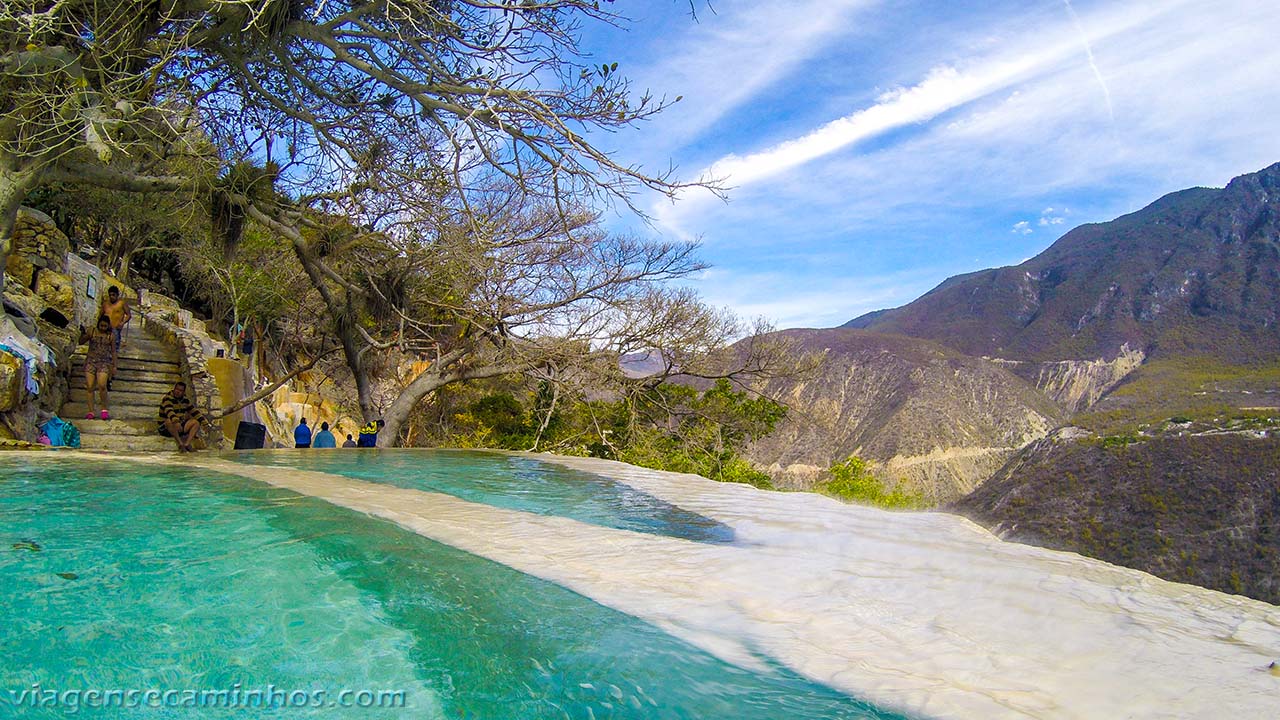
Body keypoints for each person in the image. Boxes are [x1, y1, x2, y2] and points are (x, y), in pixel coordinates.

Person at [78, 315, 115, 420]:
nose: (103, 328)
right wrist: (84, 334)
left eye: (105, 326)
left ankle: (104, 408)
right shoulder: (92, 332)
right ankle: (91, 411)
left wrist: (114, 365)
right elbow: (81, 342)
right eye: (101, 325)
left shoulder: (110, 336)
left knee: (102, 385)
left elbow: (113, 351)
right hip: (91, 362)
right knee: (90, 386)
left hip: (104, 363)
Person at [158, 381, 203, 451]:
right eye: (177, 389)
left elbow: (194, 411)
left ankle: (187, 444)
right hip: (166, 427)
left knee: (195, 422)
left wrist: (204, 422)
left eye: (180, 390)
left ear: (183, 392)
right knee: (169, 421)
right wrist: (176, 421)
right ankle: (180, 444)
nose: (178, 392)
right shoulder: (167, 398)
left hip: (179, 425)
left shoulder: (185, 400)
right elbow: (169, 411)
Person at [100, 286, 131, 352]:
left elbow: (128, 315)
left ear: (117, 295)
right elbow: (100, 315)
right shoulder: (105, 304)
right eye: (110, 295)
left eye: (113, 295)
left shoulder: (122, 303)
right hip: (106, 328)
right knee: (104, 346)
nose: (111, 296)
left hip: (116, 328)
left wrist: (122, 323)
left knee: (115, 346)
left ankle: (114, 360)